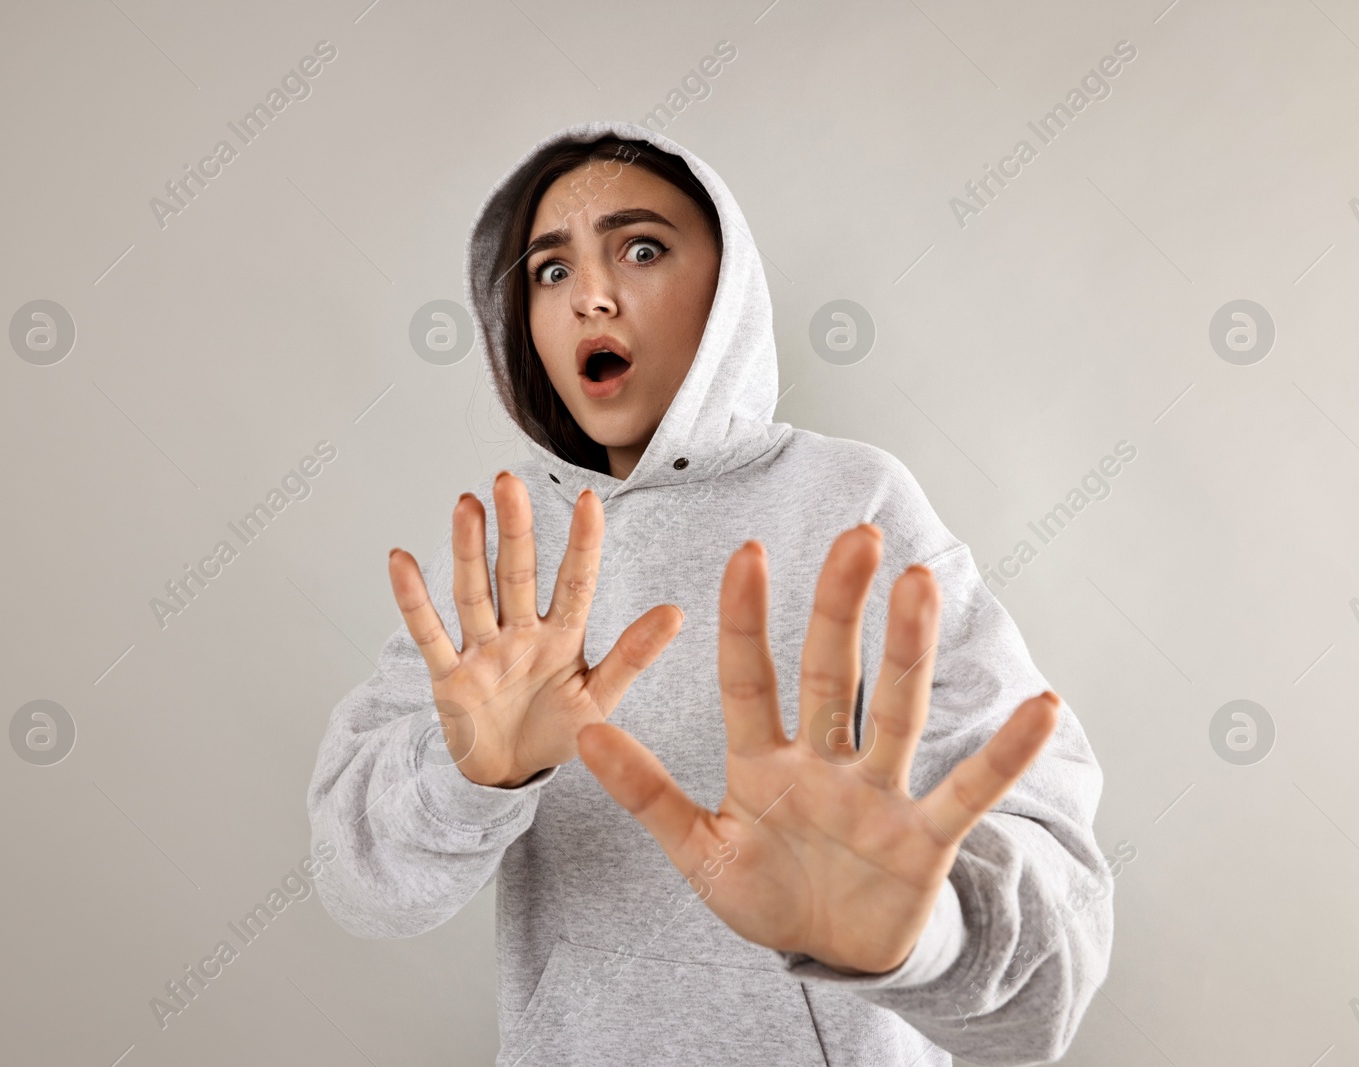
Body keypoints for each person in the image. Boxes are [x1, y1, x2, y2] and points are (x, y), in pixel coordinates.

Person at [307, 120, 1113, 1066]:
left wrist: (923, 930)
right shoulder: (510, 562)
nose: (589, 298)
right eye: (550, 272)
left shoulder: (854, 503)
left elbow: (1055, 955)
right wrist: (471, 777)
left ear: (728, 292)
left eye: (640, 249)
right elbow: (358, 882)